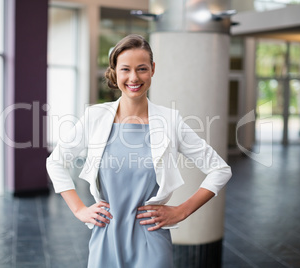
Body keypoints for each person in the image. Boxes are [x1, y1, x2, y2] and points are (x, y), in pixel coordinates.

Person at [46, 34, 232, 268]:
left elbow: (220, 170)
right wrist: (79, 209)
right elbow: (55, 162)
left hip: (151, 240)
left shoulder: (170, 121)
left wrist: (182, 211)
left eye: (142, 69)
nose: (134, 77)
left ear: (153, 69)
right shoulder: (95, 117)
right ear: (115, 71)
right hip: (105, 238)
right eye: (125, 69)